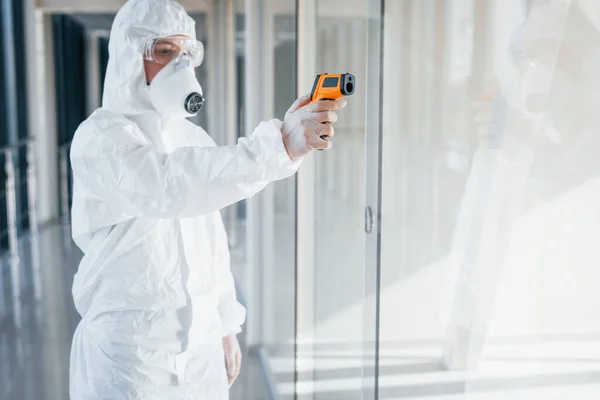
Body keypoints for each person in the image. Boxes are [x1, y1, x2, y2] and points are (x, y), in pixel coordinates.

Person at [68, 0, 346, 398]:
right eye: (164, 51)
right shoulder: (100, 136)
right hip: (129, 357)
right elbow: (166, 187)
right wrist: (276, 147)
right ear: (130, 57)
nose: (179, 65)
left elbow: (210, 244)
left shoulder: (192, 139)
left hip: (199, 350)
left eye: (187, 53)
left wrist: (224, 326)